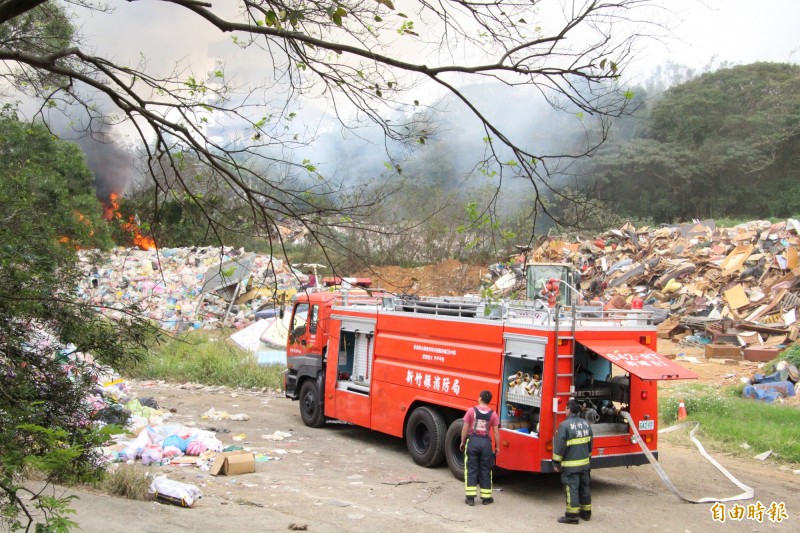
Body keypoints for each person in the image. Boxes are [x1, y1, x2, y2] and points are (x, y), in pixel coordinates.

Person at [553, 398, 593, 524]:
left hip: (571, 466)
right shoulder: (586, 424)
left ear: (569, 410)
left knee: (572, 489)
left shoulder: (564, 425)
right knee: (585, 488)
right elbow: (590, 444)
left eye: (565, 409)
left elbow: (560, 447)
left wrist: (555, 462)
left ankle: (572, 516)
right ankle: (586, 513)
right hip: (585, 464)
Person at [460, 390, 500, 506]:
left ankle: (470, 498)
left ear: (480, 398)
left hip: (473, 442)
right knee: (486, 470)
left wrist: (462, 442)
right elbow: (496, 432)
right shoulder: (493, 414)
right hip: (486, 444)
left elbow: (465, 428)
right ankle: (486, 498)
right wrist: (497, 447)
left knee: (471, 469)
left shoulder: (471, 411)